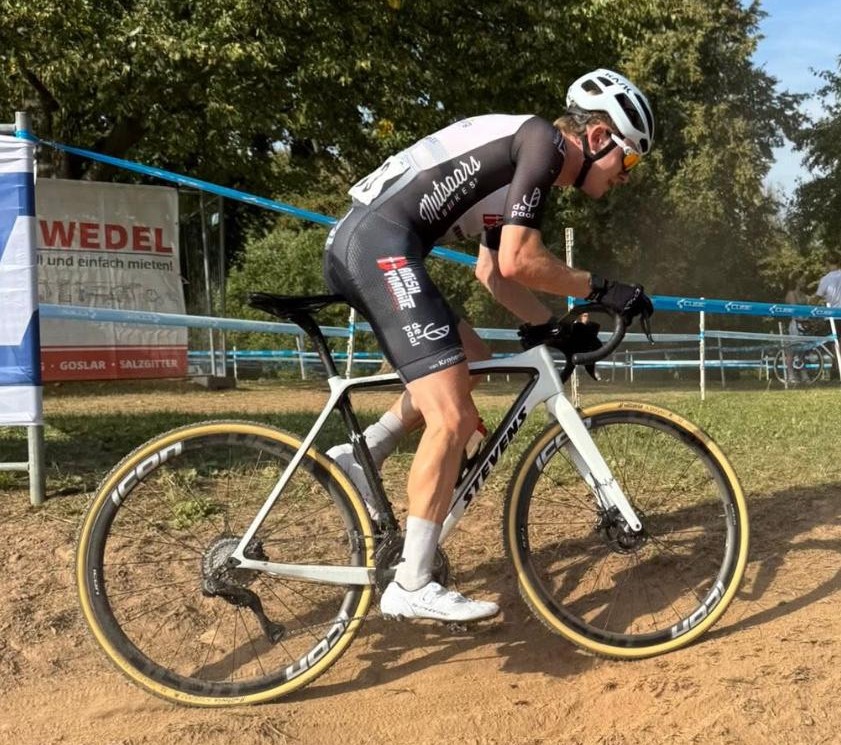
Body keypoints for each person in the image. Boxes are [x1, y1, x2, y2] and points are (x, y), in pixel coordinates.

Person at [323, 68, 655, 623]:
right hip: (378, 246)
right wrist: (604, 290)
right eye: (631, 159)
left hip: (371, 243)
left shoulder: (523, 161)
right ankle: (412, 582)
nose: (627, 175)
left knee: (472, 360)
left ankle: (365, 454)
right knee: (452, 416)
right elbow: (521, 260)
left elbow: (495, 273)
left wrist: (551, 326)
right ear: (598, 137)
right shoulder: (544, 144)